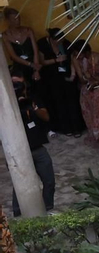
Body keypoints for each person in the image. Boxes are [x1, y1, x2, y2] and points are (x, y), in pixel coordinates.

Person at [9, 79, 55, 215]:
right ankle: (18, 212)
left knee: (49, 180)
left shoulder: (33, 101)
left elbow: (46, 117)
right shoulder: (8, 105)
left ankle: (48, 207)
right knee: (20, 183)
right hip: (19, 152)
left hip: (38, 148)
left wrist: (32, 107)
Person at [36, 29, 84, 135]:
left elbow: (72, 59)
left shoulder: (66, 44)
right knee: (59, 102)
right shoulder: (42, 44)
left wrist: (72, 74)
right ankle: (65, 128)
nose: (60, 43)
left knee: (72, 101)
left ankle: (77, 127)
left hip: (66, 76)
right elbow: (41, 61)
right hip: (52, 77)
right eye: (58, 41)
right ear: (52, 39)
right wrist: (55, 60)